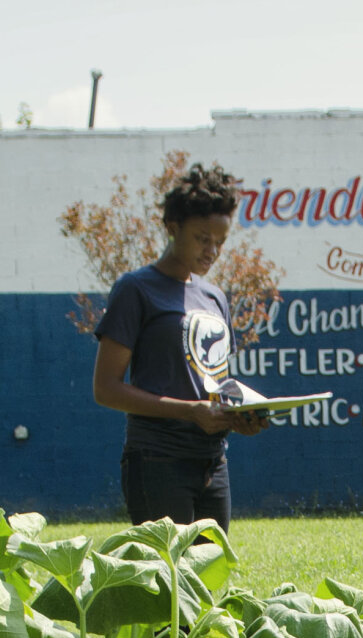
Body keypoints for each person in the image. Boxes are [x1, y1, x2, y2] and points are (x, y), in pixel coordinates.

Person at [91, 162, 267, 525]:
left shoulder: (215, 297)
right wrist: (190, 411)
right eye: (203, 239)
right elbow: (105, 389)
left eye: (220, 242)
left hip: (214, 462)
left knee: (209, 578)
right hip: (158, 461)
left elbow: (213, 387)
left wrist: (238, 417)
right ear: (173, 228)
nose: (213, 252)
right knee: (168, 580)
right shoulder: (136, 290)